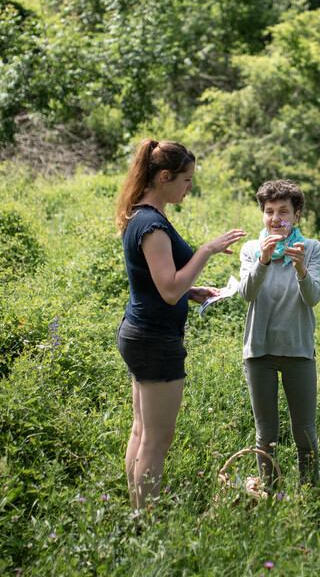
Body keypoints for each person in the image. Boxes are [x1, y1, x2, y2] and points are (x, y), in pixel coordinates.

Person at [114, 138, 246, 509]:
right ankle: (145, 520)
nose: (189, 187)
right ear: (165, 177)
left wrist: (193, 290)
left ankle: (138, 510)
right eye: (186, 180)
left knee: (142, 431)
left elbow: (159, 281)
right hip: (154, 340)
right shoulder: (152, 225)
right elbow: (169, 290)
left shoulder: (141, 215)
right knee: (157, 438)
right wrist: (205, 251)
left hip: (141, 333)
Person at [238, 179, 320, 488]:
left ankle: (311, 495)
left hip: (298, 350)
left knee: (305, 431)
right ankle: (271, 496)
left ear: (296, 215)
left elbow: (313, 298)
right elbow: (247, 294)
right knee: (266, 433)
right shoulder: (251, 249)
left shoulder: (310, 249)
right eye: (269, 211)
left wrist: (300, 269)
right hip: (259, 351)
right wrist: (263, 259)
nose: (275, 218)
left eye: (283, 211)